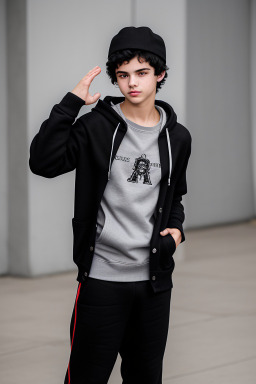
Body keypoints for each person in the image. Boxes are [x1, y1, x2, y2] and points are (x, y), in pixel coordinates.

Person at [29, 26, 192, 384]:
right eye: (123, 75)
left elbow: (174, 194)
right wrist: (70, 103)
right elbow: (43, 162)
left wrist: (176, 234)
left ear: (160, 74)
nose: (132, 83)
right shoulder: (96, 128)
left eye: (142, 73)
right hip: (102, 280)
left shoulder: (176, 137)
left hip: (153, 283)